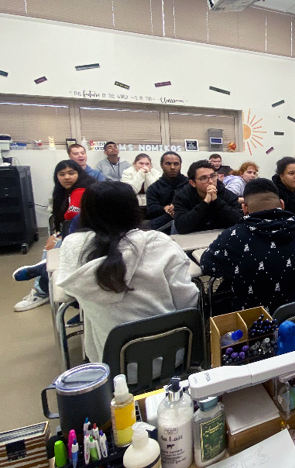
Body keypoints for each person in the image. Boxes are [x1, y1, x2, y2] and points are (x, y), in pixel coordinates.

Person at [55, 182, 199, 363]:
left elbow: (69, 291)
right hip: (172, 358)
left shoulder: (73, 244)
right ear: (134, 209)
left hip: (111, 364)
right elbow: (188, 301)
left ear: (86, 210)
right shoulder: (160, 244)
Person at [200, 178, 295, 314]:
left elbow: (207, 264)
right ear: (282, 204)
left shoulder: (234, 236)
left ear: (244, 208)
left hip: (256, 325)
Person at [13, 160, 96, 311]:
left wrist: (59, 238)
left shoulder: (84, 190)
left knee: (53, 249)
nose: (67, 177)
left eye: (71, 173)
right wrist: (57, 235)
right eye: (62, 174)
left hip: (89, 235)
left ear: (79, 173)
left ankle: (40, 289)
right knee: (50, 247)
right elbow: (62, 220)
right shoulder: (62, 192)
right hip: (73, 233)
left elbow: (72, 216)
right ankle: (43, 283)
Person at [172, 159, 242, 234]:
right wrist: (205, 203)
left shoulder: (226, 194)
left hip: (221, 238)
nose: (211, 181)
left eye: (213, 176)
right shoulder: (182, 197)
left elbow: (239, 220)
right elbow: (181, 226)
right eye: (203, 178)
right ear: (192, 183)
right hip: (193, 240)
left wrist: (216, 201)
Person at [146, 151, 188, 232]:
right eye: (168, 164)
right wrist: (165, 208)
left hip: (187, 217)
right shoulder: (153, 188)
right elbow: (151, 209)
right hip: (164, 220)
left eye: (176, 164)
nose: (172, 167)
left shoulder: (190, 184)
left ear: (180, 165)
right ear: (161, 165)